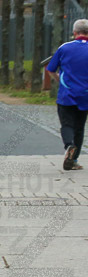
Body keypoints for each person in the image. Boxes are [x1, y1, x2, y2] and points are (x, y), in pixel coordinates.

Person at [45, 18, 88, 171]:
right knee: (80, 126)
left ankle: (69, 145)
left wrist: (58, 81)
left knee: (67, 124)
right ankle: (74, 160)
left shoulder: (64, 48)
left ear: (74, 32)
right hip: (85, 95)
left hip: (66, 94)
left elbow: (50, 69)